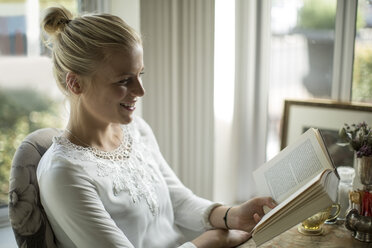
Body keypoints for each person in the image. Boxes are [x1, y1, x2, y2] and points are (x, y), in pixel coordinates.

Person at [37, 6, 275, 248]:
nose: (140, 91)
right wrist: (211, 241)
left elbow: (179, 201)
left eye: (140, 74)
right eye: (124, 80)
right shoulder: (63, 174)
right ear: (75, 83)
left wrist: (231, 215)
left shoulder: (136, 131)